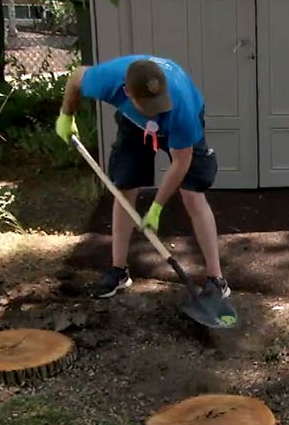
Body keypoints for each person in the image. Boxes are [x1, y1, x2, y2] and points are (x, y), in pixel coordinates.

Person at [55, 55, 230, 301]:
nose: (155, 111)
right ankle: (119, 271)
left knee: (192, 193)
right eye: (150, 105)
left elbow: (182, 162)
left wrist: (156, 208)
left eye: (158, 103)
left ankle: (216, 279)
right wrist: (66, 115)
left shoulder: (180, 107)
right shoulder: (108, 80)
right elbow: (76, 78)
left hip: (177, 122)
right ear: (126, 92)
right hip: (133, 124)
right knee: (124, 188)